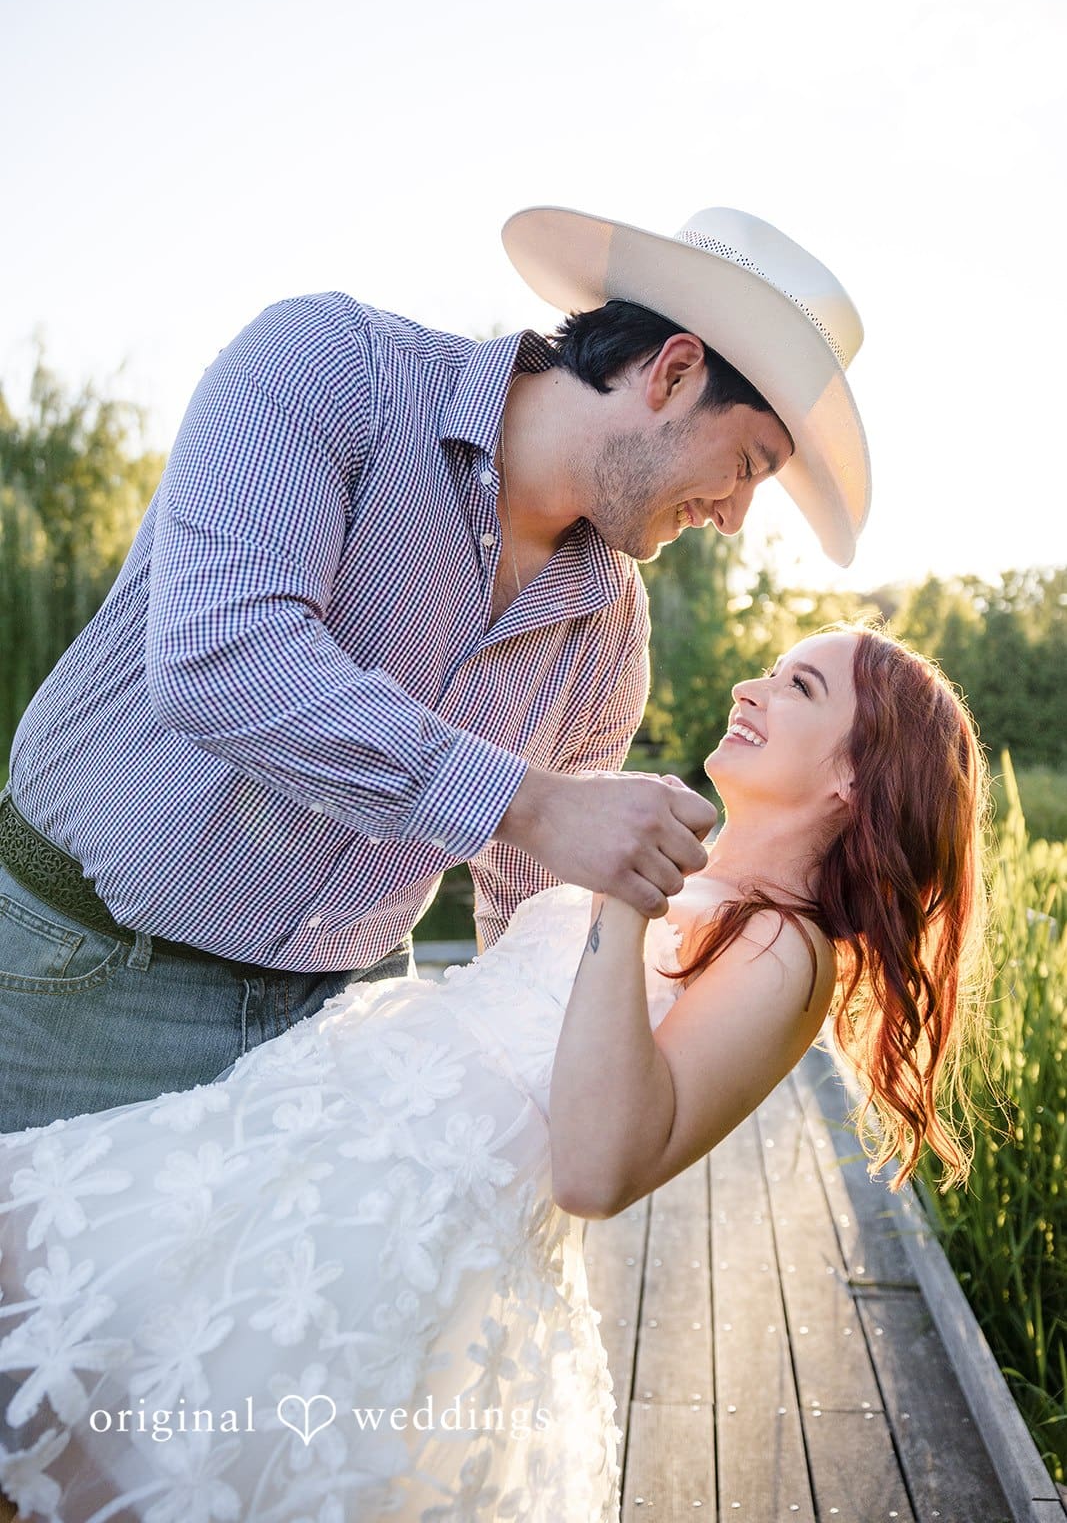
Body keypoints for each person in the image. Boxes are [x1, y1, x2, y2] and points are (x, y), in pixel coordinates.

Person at [0, 624, 991, 1523]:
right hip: (304, 1146)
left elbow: (596, 1168)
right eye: (768, 671)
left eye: (796, 686)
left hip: (384, 1247)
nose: (746, 686)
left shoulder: (783, 950)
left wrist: (621, 895)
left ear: (850, 779)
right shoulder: (699, 874)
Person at [0, 204, 872, 1131]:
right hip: (80, 978)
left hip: (342, 1032)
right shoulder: (327, 364)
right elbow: (225, 657)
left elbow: (527, 917)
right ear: (674, 371)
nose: (733, 515)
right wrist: (527, 803)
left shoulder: (610, 629)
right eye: (744, 464)